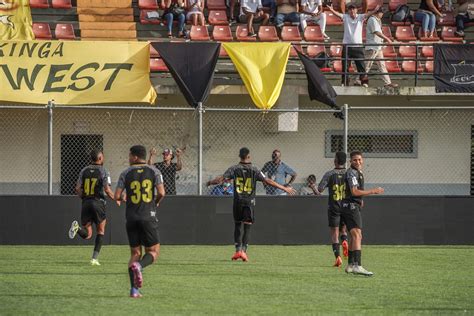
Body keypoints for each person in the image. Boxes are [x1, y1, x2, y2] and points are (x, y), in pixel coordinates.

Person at [207, 147, 296, 261]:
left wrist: (209, 182)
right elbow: (268, 180)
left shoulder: (234, 169)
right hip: (249, 202)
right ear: (248, 156)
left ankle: (237, 251)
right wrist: (284, 188)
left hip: (238, 201)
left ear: (239, 156)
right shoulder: (254, 169)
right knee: (247, 227)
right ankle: (244, 251)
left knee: (238, 225)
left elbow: (221, 179)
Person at [115, 145, 165, 298]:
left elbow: (117, 195)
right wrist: (155, 202)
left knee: (135, 253)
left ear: (135, 157)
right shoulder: (154, 171)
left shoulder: (125, 173)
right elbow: (162, 192)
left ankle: (134, 290)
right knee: (154, 252)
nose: (129, 158)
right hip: (148, 216)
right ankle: (140, 266)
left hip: (131, 217)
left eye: (130, 156)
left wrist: (125, 199)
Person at [68, 149, 114, 266]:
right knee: (101, 231)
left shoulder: (84, 170)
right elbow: (107, 190)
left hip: (86, 203)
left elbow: (77, 189)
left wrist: (84, 197)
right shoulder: (104, 171)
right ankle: (94, 259)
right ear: (100, 158)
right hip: (98, 203)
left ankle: (77, 228)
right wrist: (117, 198)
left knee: (88, 234)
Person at [342, 151, 384, 276]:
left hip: (351, 205)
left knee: (354, 235)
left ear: (362, 160)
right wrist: (373, 191)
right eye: (355, 160)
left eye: (359, 159)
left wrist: (360, 200)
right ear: (350, 161)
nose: (358, 162)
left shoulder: (358, 172)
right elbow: (354, 191)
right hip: (350, 207)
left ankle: (350, 264)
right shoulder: (352, 173)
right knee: (357, 235)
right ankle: (357, 265)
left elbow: (355, 193)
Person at [327, 3, 380, 87]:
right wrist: (331, 10)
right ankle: (344, 82)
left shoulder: (360, 17)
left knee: (361, 66)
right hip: (346, 46)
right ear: (348, 11)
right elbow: (338, 14)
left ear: (356, 10)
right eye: (350, 9)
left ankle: (364, 82)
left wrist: (374, 10)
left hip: (358, 46)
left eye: (353, 9)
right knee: (345, 66)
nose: (352, 11)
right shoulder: (346, 17)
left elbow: (368, 14)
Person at [317, 151, 349, 268]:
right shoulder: (349, 174)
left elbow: (320, 189)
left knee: (334, 234)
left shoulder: (329, 174)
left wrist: (313, 188)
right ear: (345, 161)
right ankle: (345, 240)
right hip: (346, 206)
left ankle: (338, 257)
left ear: (335, 160)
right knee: (343, 230)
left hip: (334, 206)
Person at [364, 6, 398, 88]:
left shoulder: (377, 20)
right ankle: (358, 80)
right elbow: (376, 32)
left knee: (382, 65)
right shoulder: (372, 19)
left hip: (377, 47)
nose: (382, 14)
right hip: (372, 46)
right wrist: (387, 39)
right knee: (367, 65)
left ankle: (387, 82)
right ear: (378, 12)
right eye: (381, 12)